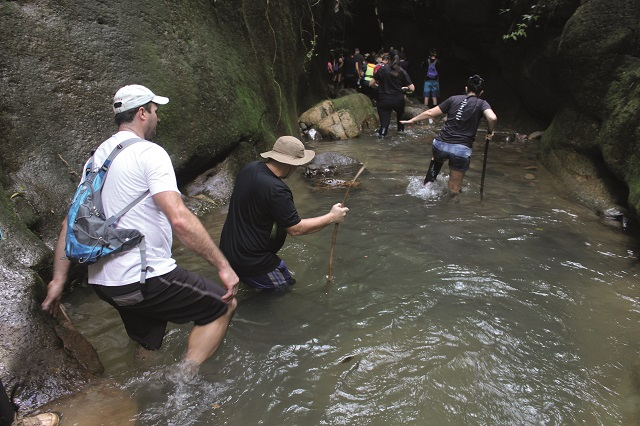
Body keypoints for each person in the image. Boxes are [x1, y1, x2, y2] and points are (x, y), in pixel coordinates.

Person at [42, 84, 238, 373]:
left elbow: (68, 223)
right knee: (222, 306)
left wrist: (58, 280)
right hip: (143, 277)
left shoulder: (96, 160)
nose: (159, 118)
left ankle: (146, 390)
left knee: (149, 341)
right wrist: (223, 266)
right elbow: (180, 219)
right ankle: (182, 381)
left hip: (105, 283)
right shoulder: (150, 154)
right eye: (156, 111)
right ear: (143, 113)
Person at [219, 136, 349, 290]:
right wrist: (332, 217)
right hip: (255, 262)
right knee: (285, 290)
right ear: (290, 164)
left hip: (228, 252)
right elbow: (296, 229)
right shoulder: (277, 190)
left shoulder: (250, 168)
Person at [400, 75, 498, 195]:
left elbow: (430, 113)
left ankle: (428, 184)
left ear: (466, 89)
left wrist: (412, 120)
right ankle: (450, 211)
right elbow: (492, 118)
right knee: (454, 189)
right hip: (460, 149)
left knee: (437, 158)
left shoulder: (453, 99)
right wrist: (489, 131)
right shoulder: (482, 103)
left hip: (441, 145)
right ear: (481, 92)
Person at [369, 49, 415, 137]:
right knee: (400, 122)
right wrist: (404, 89)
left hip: (383, 100)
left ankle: (381, 140)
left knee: (384, 126)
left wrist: (378, 87)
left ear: (389, 58)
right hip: (398, 100)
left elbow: (371, 83)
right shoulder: (402, 71)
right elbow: (412, 88)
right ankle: (400, 133)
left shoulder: (382, 69)